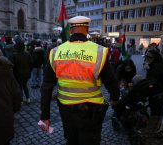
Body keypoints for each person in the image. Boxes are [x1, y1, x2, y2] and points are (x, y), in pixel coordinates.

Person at [39, 16, 120, 145]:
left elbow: (46, 86)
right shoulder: (99, 52)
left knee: (71, 140)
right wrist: (115, 98)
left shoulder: (55, 52)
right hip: (92, 110)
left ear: (70, 31)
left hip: (66, 110)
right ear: (87, 30)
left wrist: (45, 115)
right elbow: (111, 82)